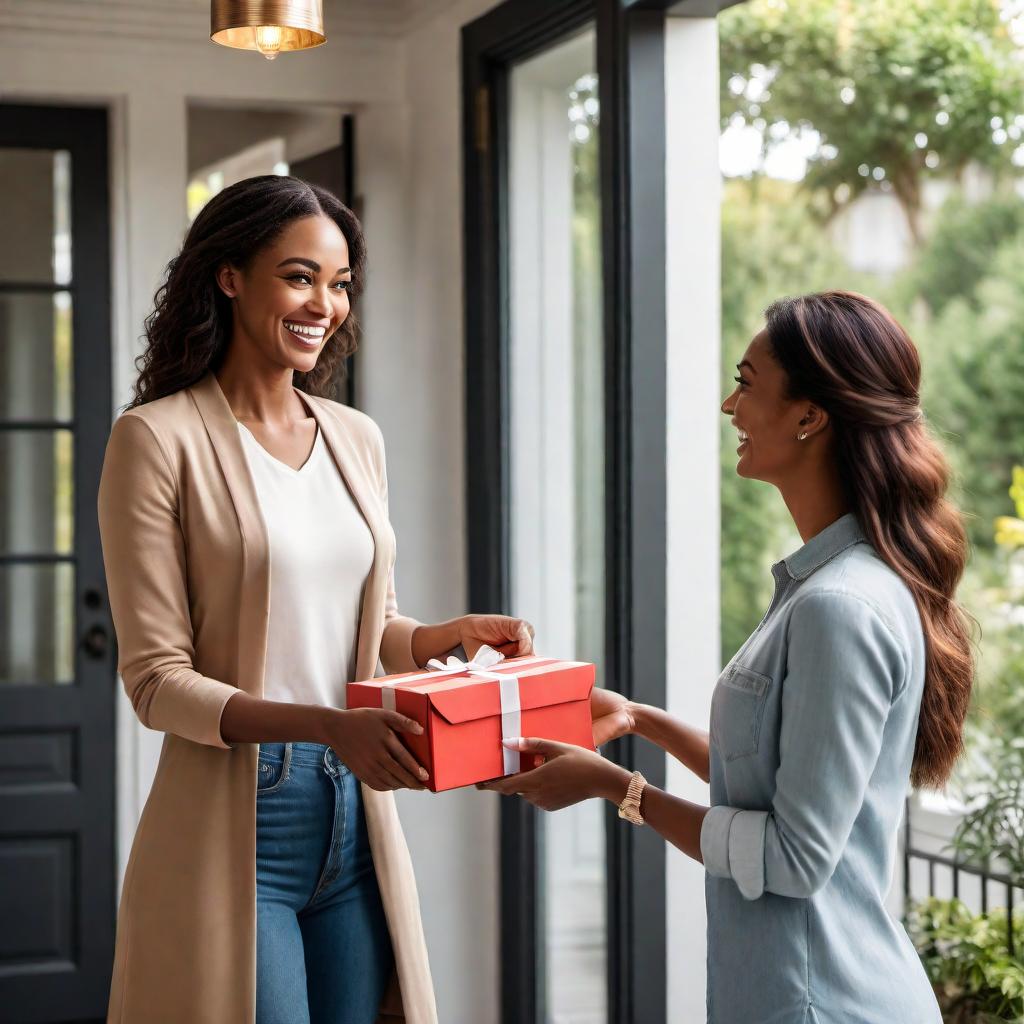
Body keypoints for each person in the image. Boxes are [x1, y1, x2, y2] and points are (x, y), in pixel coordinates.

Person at [98, 174, 534, 1024]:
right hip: (241, 817)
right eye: (299, 277)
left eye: (338, 285)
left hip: (358, 809)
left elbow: (370, 628)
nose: (324, 305)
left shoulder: (355, 438)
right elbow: (157, 682)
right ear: (229, 277)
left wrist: (439, 636)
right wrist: (324, 724)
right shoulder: (156, 440)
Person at [480, 291, 974, 1023]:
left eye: (746, 382)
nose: (727, 406)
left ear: (811, 416)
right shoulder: (825, 586)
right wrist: (641, 720)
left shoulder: (840, 606)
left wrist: (618, 790)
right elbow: (775, 777)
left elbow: (795, 859)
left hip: (821, 1003)